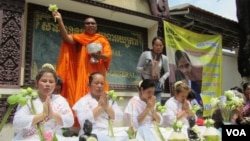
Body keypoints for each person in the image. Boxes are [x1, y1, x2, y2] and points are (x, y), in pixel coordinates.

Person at [52, 11, 112, 110]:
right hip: (81, 74)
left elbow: (108, 56)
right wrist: (60, 21)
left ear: (96, 27)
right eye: (87, 23)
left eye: (93, 23)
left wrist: (100, 56)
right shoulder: (80, 39)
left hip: (97, 73)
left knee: (99, 97)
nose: (90, 25)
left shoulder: (102, 40)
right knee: (82, 97)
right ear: (84, 26)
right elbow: (66, 38)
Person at [12, 63, 74, 141]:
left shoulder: (60, 100)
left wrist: (52, 114)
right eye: (44, 81)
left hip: (53, 137)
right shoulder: (29, 99)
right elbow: (17, 122)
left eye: (51, 82)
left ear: (55, 85)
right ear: (36, 83)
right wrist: (43, 115)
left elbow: (70, 121)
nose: (47, 84)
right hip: (29, 138)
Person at [72, 72, 127, 141]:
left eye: (102, 83)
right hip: (92, 132)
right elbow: (83, 122)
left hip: (109, 131)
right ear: (89, 85)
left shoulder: (109, 99)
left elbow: (119, 117)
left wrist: (107, 107)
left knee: (125, 135)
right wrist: (100, 107)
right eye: (96, 83)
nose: (99, 86)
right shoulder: (82, 101)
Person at [136, 36, 170, 102]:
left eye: (160, 45)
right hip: (145, 84)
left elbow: (167, 71)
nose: (158, 47)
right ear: (153, 45)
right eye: (156, 45)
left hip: (157, 85)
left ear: (163, 46)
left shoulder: (164, 58)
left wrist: (162, 79)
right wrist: (145, 68)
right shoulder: (145, 54)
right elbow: (138, 68)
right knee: (144, 105)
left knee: (156, 106)